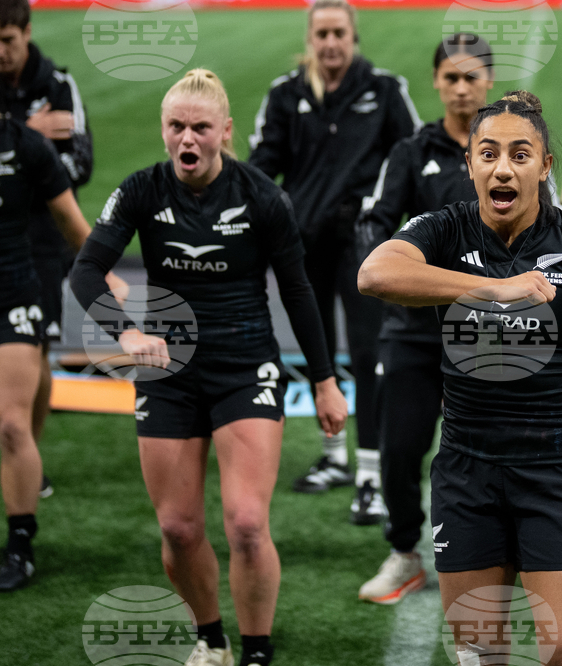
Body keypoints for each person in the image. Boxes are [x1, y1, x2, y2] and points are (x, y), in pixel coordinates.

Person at [359, 90, 562, 666]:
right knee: (480, 655)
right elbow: (374, 274)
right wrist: (489, 288)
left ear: (544, 166)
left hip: (554, 473)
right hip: (466, 473)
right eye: (487, 154)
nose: (503, 167)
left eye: (519, 153)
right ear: (470, 166)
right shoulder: (445, 230)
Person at [70, 69, 348, 666]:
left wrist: (325, 382)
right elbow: (85, 271)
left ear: (225, 131)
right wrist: (128, 332)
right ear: (163, 131)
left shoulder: (263, 197)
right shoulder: (141, 191)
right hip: (169, 371)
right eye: (176, 126)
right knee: (178, 528)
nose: (187, 139)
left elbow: (298, 292)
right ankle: (212, 639)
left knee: (247, 523)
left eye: (200, 127)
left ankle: (255, 649)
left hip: (246, 366)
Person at [248, 0, 421, 523]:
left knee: (370, 354)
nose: (330, 43)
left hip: (363, 243)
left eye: (339, 33)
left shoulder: (385, 90)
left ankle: (369, 473)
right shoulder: (286, 94)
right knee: (317, 351)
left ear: (354, 37)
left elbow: (411, 157)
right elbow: (261, 167)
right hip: (302, 243)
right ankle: (334, 458)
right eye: (321, 33)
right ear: (310, 38)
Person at [353, 34, 494, 604]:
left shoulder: (506, 148)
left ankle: (488, 553)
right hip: (413, 332)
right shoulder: (412, 151)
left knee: (489, 448)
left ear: (488, 81)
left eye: (471, 77)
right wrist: (398, 279)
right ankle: (405, 552)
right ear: (437, 82)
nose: (461, 88)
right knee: (401, 449)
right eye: (451, 78)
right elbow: (374, 224)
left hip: (489, 331)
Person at [0, 111, 113, 591]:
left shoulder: (27, 147)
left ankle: (20, 545)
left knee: (10, 424)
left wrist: (103, 278)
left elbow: (70, 221)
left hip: (13, 293)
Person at [0, 0, 94, 498]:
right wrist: (31, 140)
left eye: (8, 40)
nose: (1, 52)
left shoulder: (58, 84)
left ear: (27, 33)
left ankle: (28, 457)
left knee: (36, 349)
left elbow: (81, 161)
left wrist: (23, 166)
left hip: (41, 241)